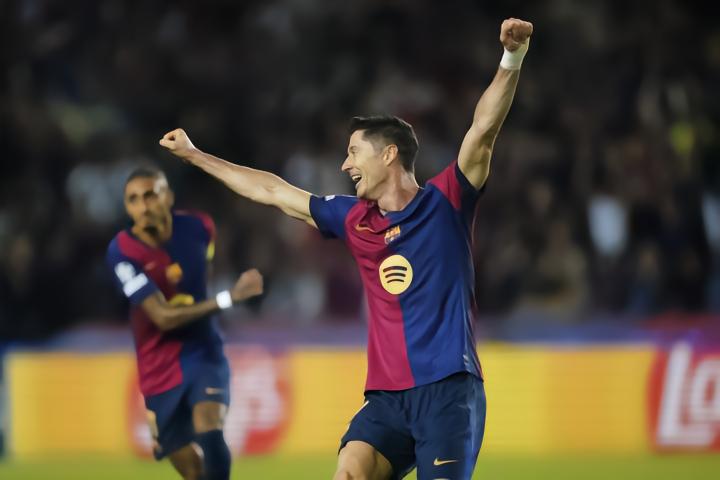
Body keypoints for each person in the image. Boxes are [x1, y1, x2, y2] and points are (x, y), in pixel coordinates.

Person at [160, 17, 532, 480]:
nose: (345, 164)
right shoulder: (355, 218)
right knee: (349, 474)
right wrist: (194, 155)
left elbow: (482, 130)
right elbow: (273, 191)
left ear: (389, 154)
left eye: (354, 152)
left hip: (449, 393)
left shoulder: (446, 202)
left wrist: (512, 56)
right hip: (387, 400)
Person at [106, 166, 263, 480]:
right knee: (193, 471)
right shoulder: (122, 252)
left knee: (210, 428)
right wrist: (229, 298)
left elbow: (204, 272)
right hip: (157, 365)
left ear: (169, 197)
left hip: (203, 351)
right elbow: (163, 317)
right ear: (127, 207)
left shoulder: (200, 227)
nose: (143, 206)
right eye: (133, 200)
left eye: (150, 195)